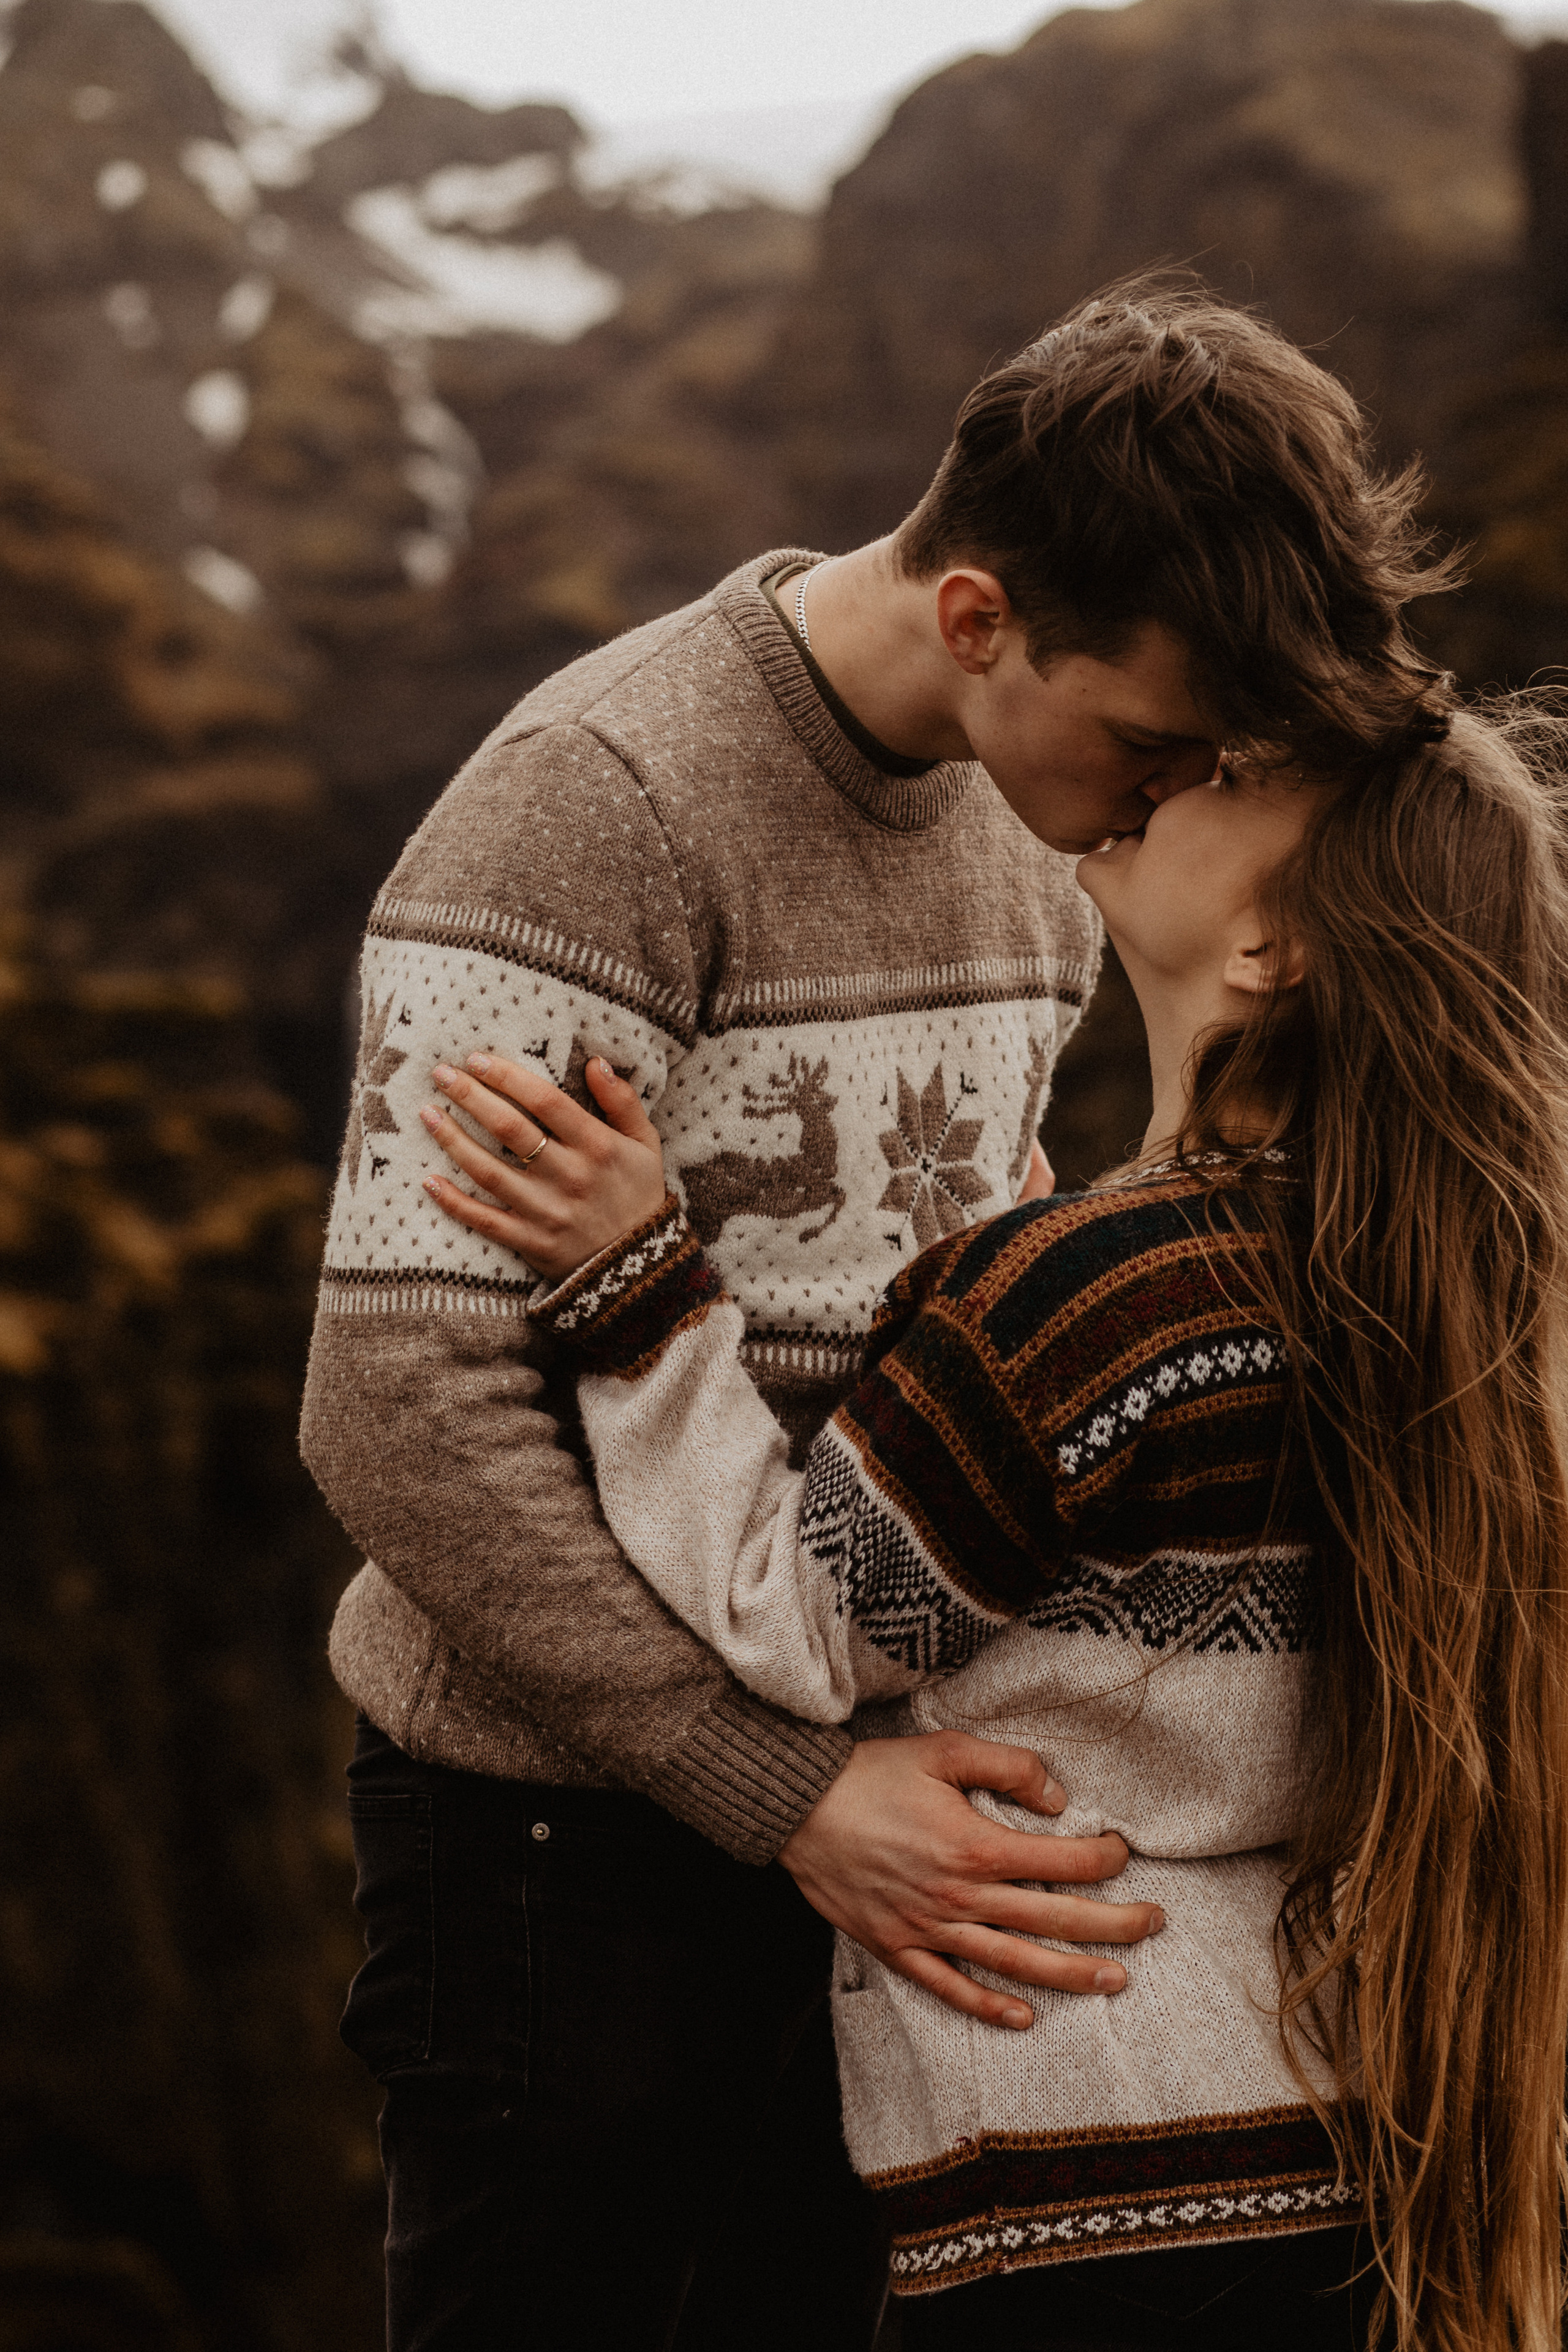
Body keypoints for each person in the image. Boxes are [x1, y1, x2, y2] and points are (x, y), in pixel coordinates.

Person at [299, 273, 1453, 2349]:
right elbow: (395, 1418)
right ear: (984, 618)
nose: (1172, 796)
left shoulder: (1048, 834)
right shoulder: (592, 806)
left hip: (877, 1823)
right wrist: (784, 1794)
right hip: (566, 1837)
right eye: (1154, 737)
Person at [420, 699, 1568, 2352]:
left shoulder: (1091, 1305)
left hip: (1084, 2183)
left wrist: (636, 1291)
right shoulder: (1453, 1303)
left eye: (1226, 780)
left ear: (1271, 948)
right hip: (1352, 2134)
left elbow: (794, 1620)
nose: (1169, 773)